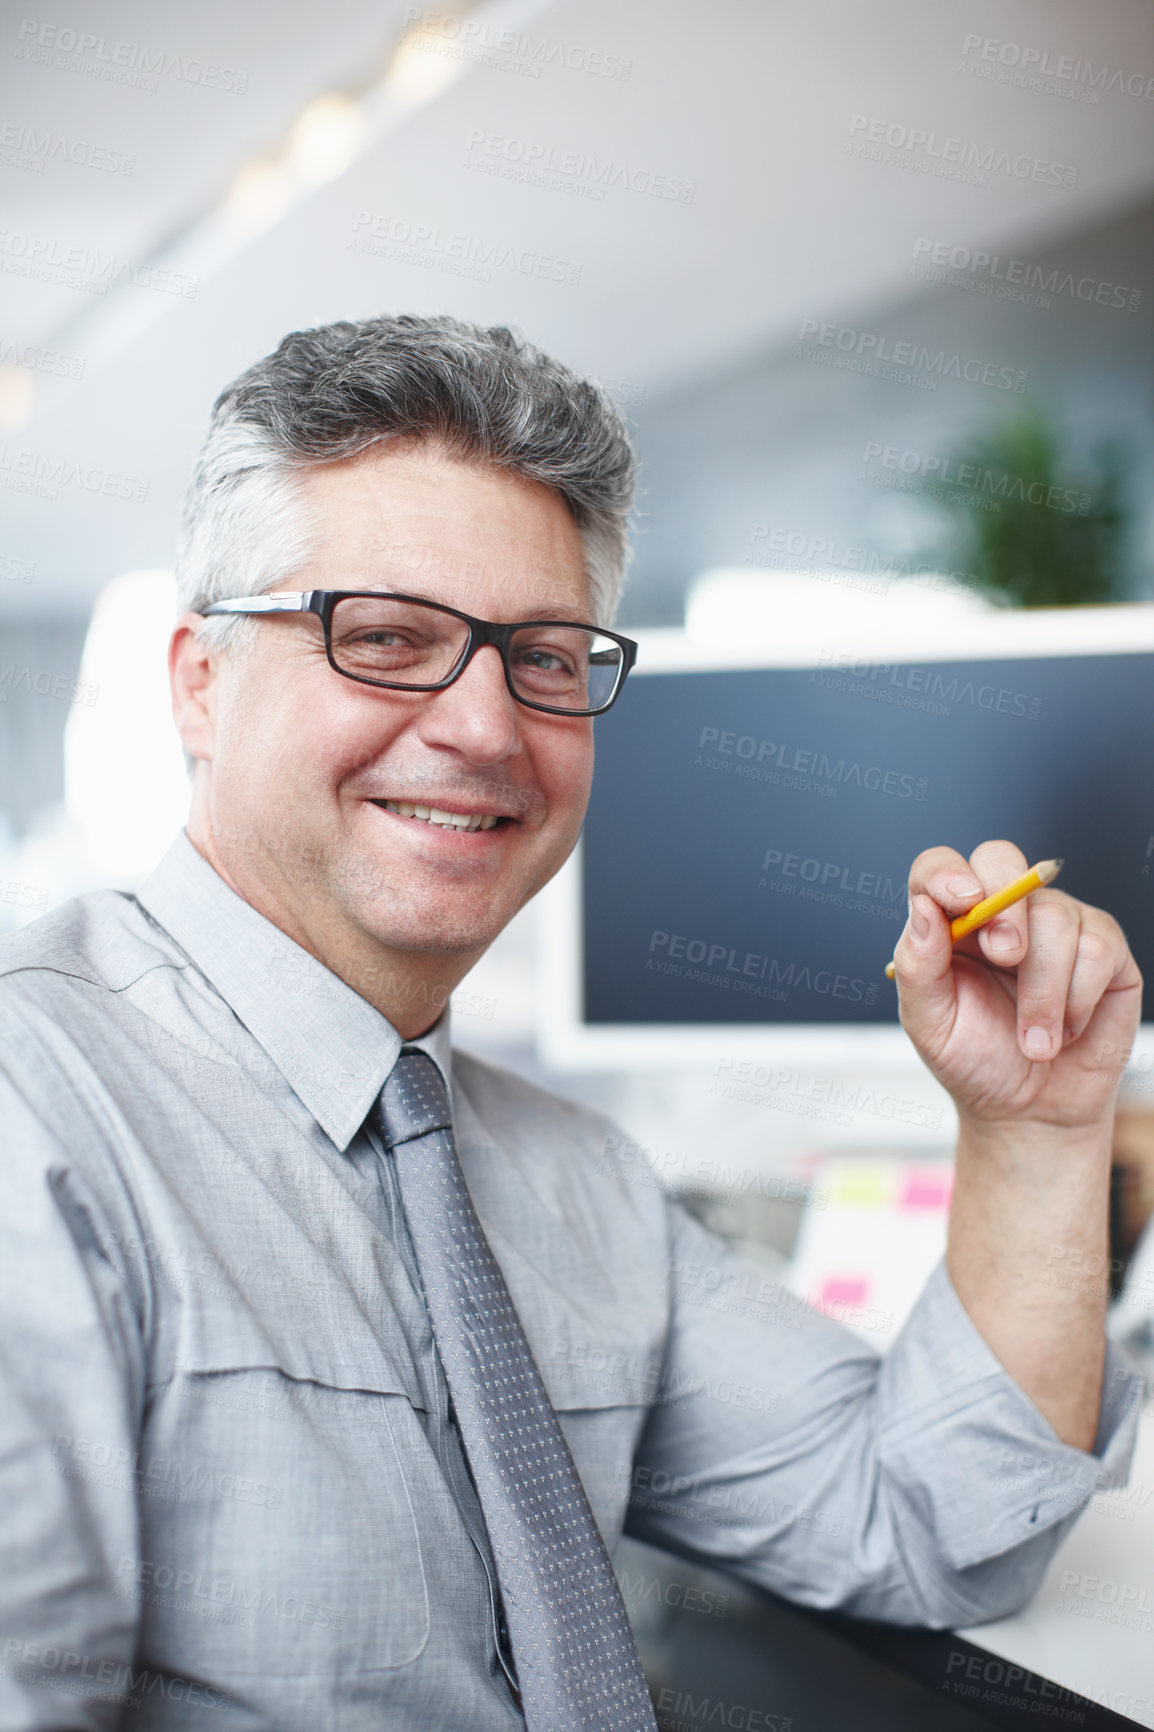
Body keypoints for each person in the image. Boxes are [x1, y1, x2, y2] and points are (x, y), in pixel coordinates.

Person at [0, 313, 1142, 1732]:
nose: (484, 727)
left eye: (542, 658)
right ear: (199, 682)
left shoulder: (571, 1183)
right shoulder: (31, 1113)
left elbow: (925, 1526)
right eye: (388, 637)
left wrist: (1030, 1122)